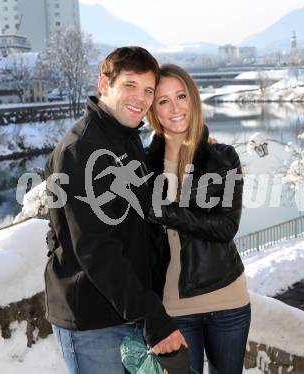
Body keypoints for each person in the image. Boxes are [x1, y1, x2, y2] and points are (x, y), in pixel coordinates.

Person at [44, 47, 187, 374]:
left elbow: (138, 215)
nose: (141, 97)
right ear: (103, 85)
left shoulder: (124, 137)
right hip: (93, 322)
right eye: (130, 85)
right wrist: (154, 319)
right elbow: (95, 249)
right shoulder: (80, 150)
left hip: (127, 309)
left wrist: (192, 148)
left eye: (148, 90)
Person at [146, 64, 251, 374]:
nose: (175, 108)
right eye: (163, 101)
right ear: (153, 109)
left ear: (193, 99)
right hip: (171, 309)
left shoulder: (223, 157)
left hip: (228, 300)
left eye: (181, 96)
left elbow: (225, 227)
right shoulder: (140, 164)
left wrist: (165, 211)